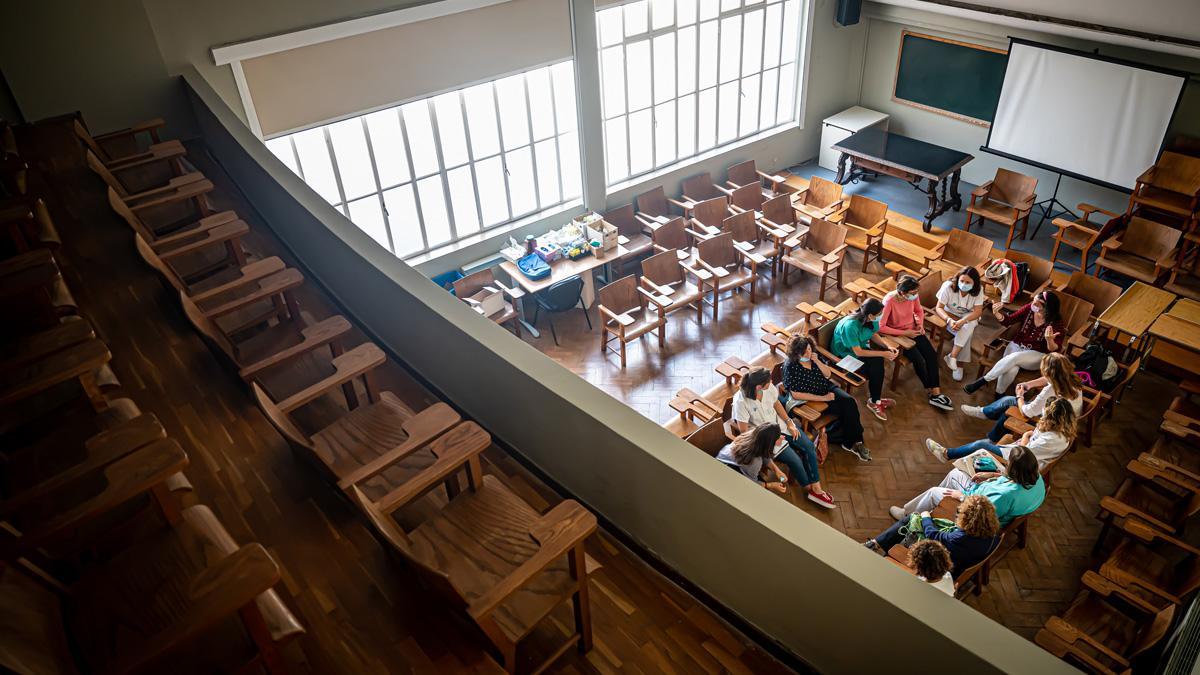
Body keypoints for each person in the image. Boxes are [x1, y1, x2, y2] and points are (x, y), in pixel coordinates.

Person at [731, 367, 835, 508]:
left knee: (809, 447)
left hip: (780, 425)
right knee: (795, 460)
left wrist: (789, 423)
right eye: (769, 381)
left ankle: (816, 487)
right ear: (758, 386)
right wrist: (772, 438)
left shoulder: (766, 388)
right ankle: (809, 488)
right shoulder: (741, 401)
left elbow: (776, 403)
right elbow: (744, 433)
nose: (772, 382)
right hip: (765, 437)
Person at [888, 445, 1045, 526]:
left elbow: (980, 512)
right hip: (982, 495)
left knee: (934, 492)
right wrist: (993, 475)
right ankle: (933, 508)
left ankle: (907, 515)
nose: (1007, 464)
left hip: (975, 514)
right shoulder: (1036, 477)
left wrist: (961, 497)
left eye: (1009, 463)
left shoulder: (1005, 496)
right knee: (955, 474)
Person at [865, 495, 1001, 581]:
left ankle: (875, 546)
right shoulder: (994, 535)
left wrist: (925, 516)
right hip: (962, 560)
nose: (958, 513)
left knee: (911, 521)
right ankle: (876, 543)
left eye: (960, 512)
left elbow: (933, 535)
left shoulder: (958, 538)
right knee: (911, 522)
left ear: (968, 520)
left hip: (939, 566)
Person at [927, 396, 1077, 472]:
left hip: (1021, 462)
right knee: (1005, 417)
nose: (1042, 416)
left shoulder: (1051, 439)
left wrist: (1025, 436)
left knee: (981, 445)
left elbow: (1023, 454)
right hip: (1028, 453)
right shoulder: (1062, 430)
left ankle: (946, 454)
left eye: (1045, 414)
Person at [781, 335, 871, 462]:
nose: (808, 353)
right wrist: (824, 397)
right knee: (847, 410)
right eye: (804, 352)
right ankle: (850, 441)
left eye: (809, 349)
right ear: (796, 354)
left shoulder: (814, 356)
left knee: (850, 402)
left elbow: (828, 375)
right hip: (811, 399)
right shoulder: (790, 366)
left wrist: (817, 361)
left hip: (826, 388)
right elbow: (796, 394)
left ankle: (853, 441)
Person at [960, 352, 1084, 442]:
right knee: (1010, 403)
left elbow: (1027, 412)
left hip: (1052, 425)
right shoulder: (1072, 379)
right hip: (1066, 419)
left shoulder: (1050, 391)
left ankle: (991, 433)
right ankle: (984, 413)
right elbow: (1049, 379)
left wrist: (1020, 396)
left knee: (1010, 410)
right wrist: (1029, 384)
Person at [964, 291, 1065, 395]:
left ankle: (983, 380)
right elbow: (1009, 321)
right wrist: (997, 313)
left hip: (1037, 354)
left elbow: (1055, 350)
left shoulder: (1056, 322)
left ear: (1047, 308)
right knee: (1012, 369)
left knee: (1014, 358)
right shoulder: (1028, 308)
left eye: (1037, 303)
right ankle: (999, 394)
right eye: (1033, 301)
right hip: (1016, 345)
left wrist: (1049, 340)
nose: (1033, 305)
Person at [879, 275, 952, 410]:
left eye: (917, 292)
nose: (916, 295)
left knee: (931, 355)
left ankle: (936, 392)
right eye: (913, 293)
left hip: (913, 330)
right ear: (902, 292)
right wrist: (905, 333)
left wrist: (920, 324)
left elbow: (918, 310)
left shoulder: (913, 295)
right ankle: (930, 391)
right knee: (919, 360)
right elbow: (881, 326)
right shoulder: (889, 300)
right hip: (900, 336)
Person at [830, 298, 899, 422]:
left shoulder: (870, 319)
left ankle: (875, 400)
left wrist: (887, 346)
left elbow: (873, 334)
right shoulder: (850, 326)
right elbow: (858, 352)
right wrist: (883, 353)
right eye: (879, 315)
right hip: (844, 356)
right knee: (876, 365)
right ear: (870, 314)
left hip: (858, 350)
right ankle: (875, 401)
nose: (880, 317)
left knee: (877, 363)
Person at [935, 266, 987, 382]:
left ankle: (953, 356)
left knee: (969, 324)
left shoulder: (979, 290)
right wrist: (949, 320)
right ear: (957, 279)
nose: (964, 284)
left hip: (966, 316)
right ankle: (957, 362)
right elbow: (939, 308)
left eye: (968, 282)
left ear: (975, 283)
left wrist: (962, 321)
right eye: (962, 281)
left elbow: (977, 312)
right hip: (949, 315)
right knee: (968, 332)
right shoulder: (948, 287)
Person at [717, 424, 789, 495]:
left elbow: (764, 454)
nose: (783, 437)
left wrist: (777, 470)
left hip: (725, 459)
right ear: (770, 443)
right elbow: (752, 483)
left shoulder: (753, 436)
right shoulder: (755, 462)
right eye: (778, 436)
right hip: (725, 473)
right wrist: (771, 485)